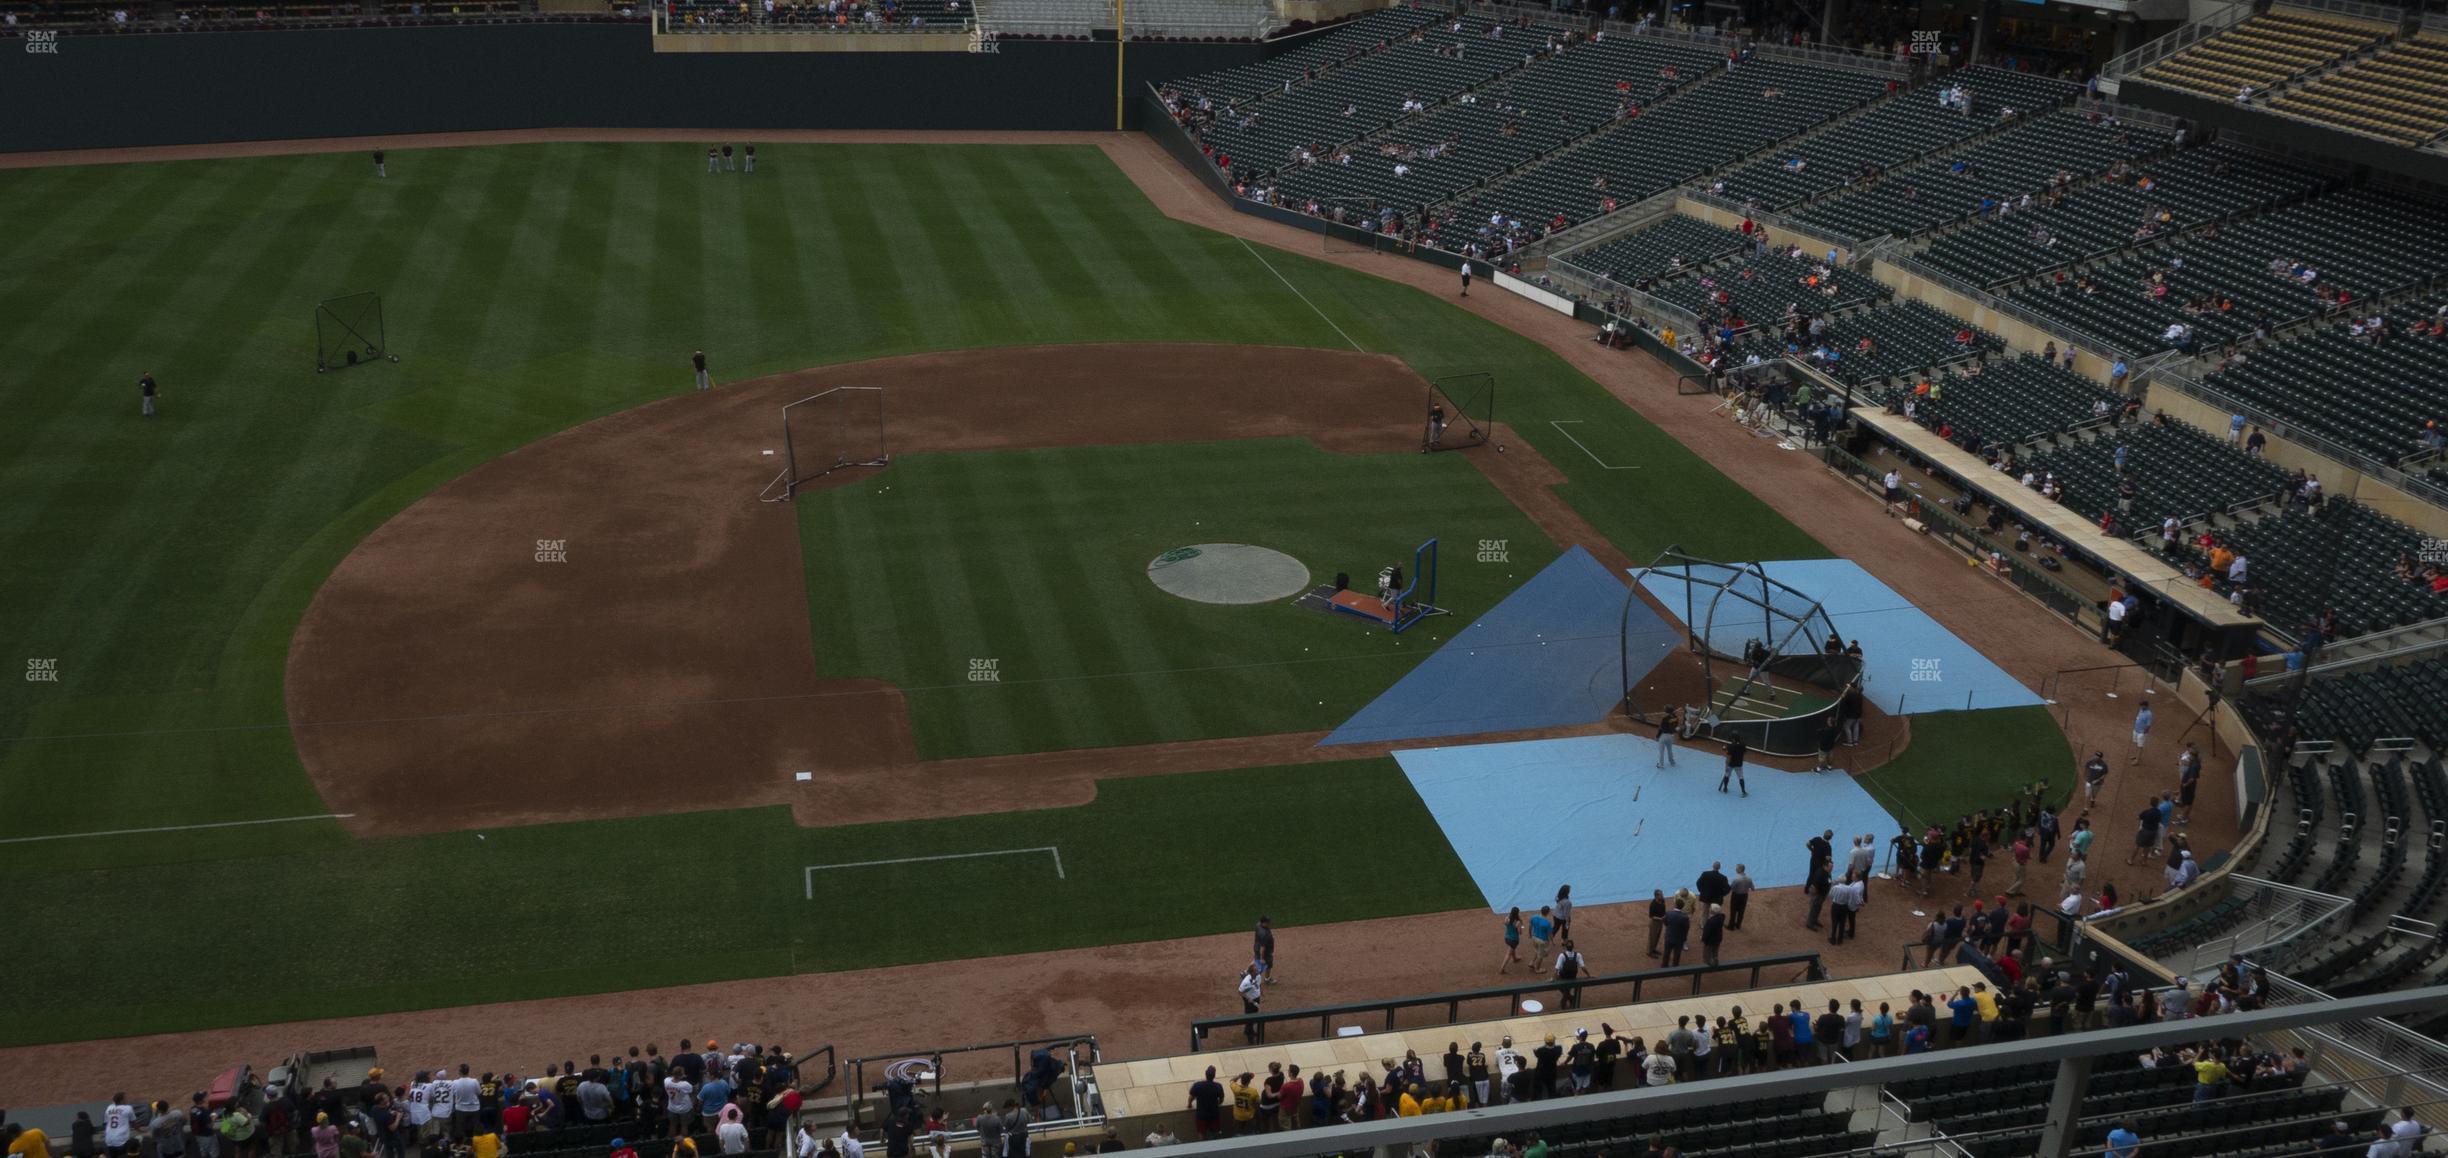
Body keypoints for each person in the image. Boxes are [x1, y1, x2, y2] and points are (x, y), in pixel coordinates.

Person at [1185, 1068, 1224, 1140]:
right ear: (1214, 1075)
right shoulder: (1218, 1086)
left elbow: (1191, 1097)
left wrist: (1189, 1104)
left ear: (1205, 1074)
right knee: (1215, 1133)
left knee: (1201, 1133)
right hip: (1214, 1114)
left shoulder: (1198, 1085)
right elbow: (1221, 1100)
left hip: (1201, 1115)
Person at [1237, 965, 1264, 1041]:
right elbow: (1240, 992)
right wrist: (1248, 998)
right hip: (1250, 1000)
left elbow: (1259, 984)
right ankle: (1250, 1036)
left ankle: (1248, 1030)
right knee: (1249, 1016)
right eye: (1255, 970)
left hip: (1256, 998)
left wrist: (1260, 990)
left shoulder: (1258, 976)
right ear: (1251, 973)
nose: (1258, 971)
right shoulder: (1246, 982)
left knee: (1254, 1014)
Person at [1660, 902, 1690, 966]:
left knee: (1666, 952)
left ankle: (1664, 966)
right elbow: (1686, 928)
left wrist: (1668, 927)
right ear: (1682, 907)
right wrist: (1684, 938)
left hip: (1669, 936)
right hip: (1679, 939)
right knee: (1677, 954)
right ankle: (1675, 967)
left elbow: (1664, 921)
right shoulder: (1685, 917)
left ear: (1675, 905)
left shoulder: (1668, 913)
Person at [1499, 906, 1524, 973]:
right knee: (1508, 954)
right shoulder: (1517, 922)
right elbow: (1520, 933)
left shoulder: (1507, 918)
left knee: (1512, 948)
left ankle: (1515, 958)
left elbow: (1505, 925)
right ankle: (1502, 968)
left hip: (1507, 938)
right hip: (1514, 940)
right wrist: (1521, 925)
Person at [1727, 865, 1753, 929]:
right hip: (1744, 896)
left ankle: (1731, 926)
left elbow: (1731, 888)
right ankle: (1738, 925)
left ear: (1740, 869)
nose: (1736, 869)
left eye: (1737, 868)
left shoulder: (1736, 879)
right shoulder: (1749, 879)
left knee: (1733, 911)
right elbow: (1753, 888)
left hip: (1736, 896)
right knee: (1741, 911)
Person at [1253, 916, 1276, 981]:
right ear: (1264, 923)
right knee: (1268, 965)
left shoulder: (1258, 925)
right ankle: (1267, 979)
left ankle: (1246, 972)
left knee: (1256, 960)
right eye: (1268, 922)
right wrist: (1262, 958)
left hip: (1256, 947)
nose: (1270, 923)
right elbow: (1263, 948)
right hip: (1265, 951)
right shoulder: (1264, 934)